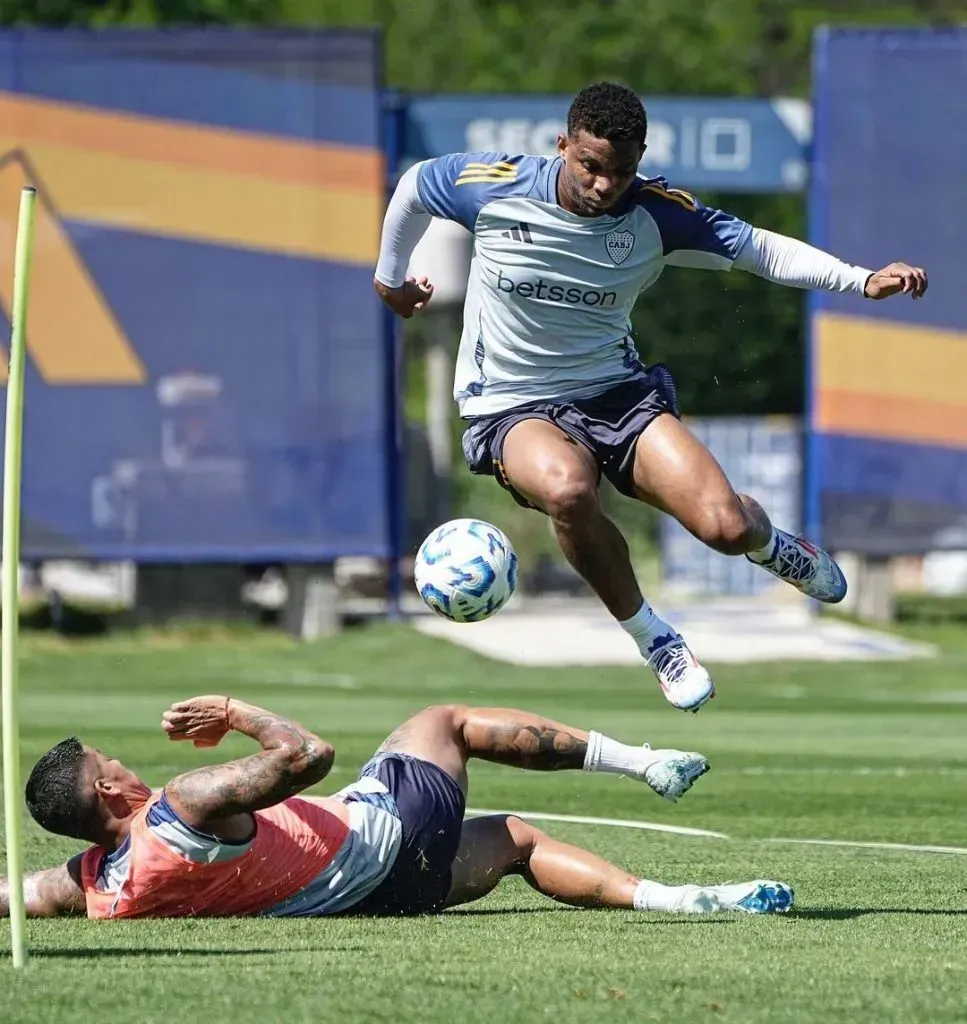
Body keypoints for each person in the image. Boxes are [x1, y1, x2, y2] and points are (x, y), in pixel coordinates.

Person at [373, 81, 928, 713]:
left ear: (639, 158)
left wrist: (861, 280)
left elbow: (759, 248)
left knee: (725, 527)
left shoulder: (658, 215)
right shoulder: (495, 186)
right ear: (562, 146)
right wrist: (390, 279)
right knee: (567, 490)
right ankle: (655, 639)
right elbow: (414, 185)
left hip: (616, 393)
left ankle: (772, 545)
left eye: (621, 170)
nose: (604, 185)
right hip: (508, 401)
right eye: (590, 166)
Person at [2, 694, 792, 919]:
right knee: (445, 722)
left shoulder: (102, 885)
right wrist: (234, 712)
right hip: (383, 834)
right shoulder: (183, 804)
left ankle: (676, 899)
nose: (126, 763)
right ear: (109, 792)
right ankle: (641, 761)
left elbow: (22, 894)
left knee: (513, 839)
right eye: (112, 763)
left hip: (386, 897)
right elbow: (307, 755)